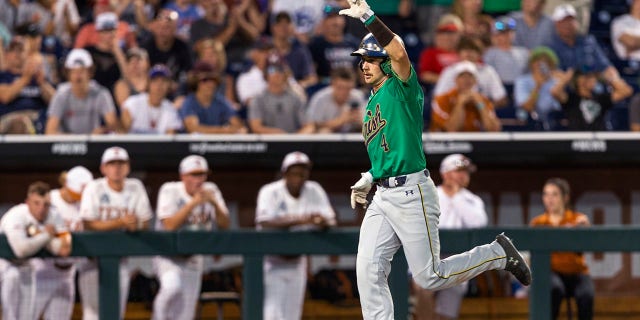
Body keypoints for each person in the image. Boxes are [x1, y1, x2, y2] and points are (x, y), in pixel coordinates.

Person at [339, 2, 531, 319]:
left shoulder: (401, 87)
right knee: (367, 269)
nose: (365, 65)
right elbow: (388, 151)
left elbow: (399, 52)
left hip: (411, 191)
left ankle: (497, 253)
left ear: (386, 64)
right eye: (362, 60)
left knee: (430, 275)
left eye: (372, 59)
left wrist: (368, 18)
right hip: (384, 194)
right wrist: (371, 176)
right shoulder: (371, 103)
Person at [255, 151, 336, 320]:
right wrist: (302, 219)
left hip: (298, 262)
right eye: (294, 171)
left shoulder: (314, 190)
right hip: (272, 262)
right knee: (271, 315)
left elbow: (330, 220)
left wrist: (320, 221)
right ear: (285, 173)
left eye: (303, 171)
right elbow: (264, 222)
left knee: (292, 316)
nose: (299, 176)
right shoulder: (270, 191)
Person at [152, 155, 231, 320]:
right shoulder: (170, 190)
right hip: (168, 255)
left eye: (202, 174)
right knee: (171, 288)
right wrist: (192, 204)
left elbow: (225, 225)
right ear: (183, 176)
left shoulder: (212, 190)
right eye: (194, 175)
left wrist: (215, 204)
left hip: (193, 256)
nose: (199, 179)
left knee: (186, 313)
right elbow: (169, 225)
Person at [79, 146, 153, 320]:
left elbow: (145, 222)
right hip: (92, 260)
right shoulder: (94, 187)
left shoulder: (136, 187)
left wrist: (137, 225)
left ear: (128, 167)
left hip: (120, 259)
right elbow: (88, 223)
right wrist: (119, 222)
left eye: (121, 163)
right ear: (103, 168)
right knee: (91, 315)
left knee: (116, 314)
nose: (117, 167)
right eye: (112, 163)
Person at [413, 154, 489, 320]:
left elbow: (478, 224)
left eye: (466, 172)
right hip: (429, 259)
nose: (463, 176)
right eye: (458, 171)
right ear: (445, 174)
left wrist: (457, 197)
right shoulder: (429, 194)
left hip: (458, 261)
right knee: (423, 291)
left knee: (447, 313)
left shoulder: (472, 200)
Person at [0, 181, 72, 320]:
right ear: (27, 202)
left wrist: (36, 235)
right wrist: (45, 235)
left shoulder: (53, 215)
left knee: (26, 316)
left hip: (26, 264)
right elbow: (20, 250)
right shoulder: (16, 215)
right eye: (36, 203)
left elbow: (63, 249)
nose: (41, 209)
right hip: (4, 263)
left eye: (45, 204)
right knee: (12, 279)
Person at [30, 166, 93, 320]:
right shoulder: (49, 200)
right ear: (66, 184)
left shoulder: (86, 204)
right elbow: (30, 227)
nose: (79, 197)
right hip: (42, 270)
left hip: (67, 273)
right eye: (76, 193)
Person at [530, 178, 594, 320]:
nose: (549, 199)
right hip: (551, 273)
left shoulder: (577, 219)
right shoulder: (538, 223)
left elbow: (585, 246)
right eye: (546, 194)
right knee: (554, 289)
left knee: (586, 295)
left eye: (554, 194)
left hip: (577, 272)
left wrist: (586, 229)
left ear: (565, 197)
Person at [45, 48, 119, 134]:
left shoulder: (101, 93)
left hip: (93, 143)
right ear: (68, 74)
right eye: (74, 72)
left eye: (82, 71)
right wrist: (76, 140)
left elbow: (113, 125)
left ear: (90, 72)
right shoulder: (61, 94)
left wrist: (102, 131)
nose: (78, 76)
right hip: (67, 145)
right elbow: (50, 131)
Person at [550, 66, 632, 131]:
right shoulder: (571, 99)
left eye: (593, 77)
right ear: (579, 80)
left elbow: (626, 91)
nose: (593, 80)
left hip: (600, 140)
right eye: (589, 77)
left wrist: (609, 78)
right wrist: (567, 78)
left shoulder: (601, 98)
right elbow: (555, 92)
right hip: (577, 140)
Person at [430, 61, 502, 132]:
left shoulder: (482, 99)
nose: (466, 80)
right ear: (455, 80)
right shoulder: (442, 99)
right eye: (462, 76)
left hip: (475, 141)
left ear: (475, 80)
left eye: (470, 76)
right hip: (445, 142)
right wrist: (460, 104)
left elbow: (494, 129)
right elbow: (452, 129)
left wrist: (480, 104)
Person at [179, 60, 247, 134]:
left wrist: (233, 130)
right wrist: (224, 130)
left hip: (217, 144)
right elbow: (193, 128)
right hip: (194, 145)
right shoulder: (189, 102)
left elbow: (238, 126)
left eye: (213, 80)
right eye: (205, 80)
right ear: (196, 82)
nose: (210, 84)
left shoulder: (221, 101)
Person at [121, 64, 182, 134]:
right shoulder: (133, 103)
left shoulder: (170, 109)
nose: (159, 84)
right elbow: (122, 133)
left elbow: (170, 140)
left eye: (164, 81)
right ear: (148, 83)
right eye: (155, 80)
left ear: (169, 85)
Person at [513, 46, 562, 130]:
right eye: (538, 62)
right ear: (532, 64)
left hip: (554, 122)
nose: (541, 66)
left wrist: (561, 82)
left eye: (546, 62)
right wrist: (538, 86)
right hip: (529, 124)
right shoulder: (522, 81)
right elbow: (527, 107)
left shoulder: (556, 81)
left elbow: (562, 105)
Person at [305, 67, 366, 133]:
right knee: (325, 131)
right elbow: (313, 126)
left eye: (348, 88)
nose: (344, 92)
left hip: (352, 134)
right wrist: (341, 121)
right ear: (332, 84)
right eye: (340, 87)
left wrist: (361, 121)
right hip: (327, 138)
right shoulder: (320, 98)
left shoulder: (358, 96)